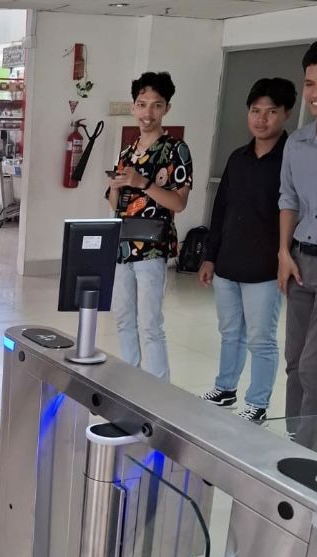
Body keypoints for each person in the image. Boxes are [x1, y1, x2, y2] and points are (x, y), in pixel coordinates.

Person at [198, 78, 296, 424]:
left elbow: (296, 211)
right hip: (228, 264)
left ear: (286, 114)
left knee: (261, 340)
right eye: (256, 111)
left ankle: (257, 402)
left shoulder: (290, 161)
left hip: (265, 270)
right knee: (230, 333)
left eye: (271, 112)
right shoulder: (237, 158)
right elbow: (221, 208)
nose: (262, 119)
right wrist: (210, 256)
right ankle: (225, 388)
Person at [107, 71, 193, 381]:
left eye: (156, 105)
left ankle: (159, 392)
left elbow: (178, 203)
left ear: (167, 109)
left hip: (152, 247)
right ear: (133, 107)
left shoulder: (175, 150)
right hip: (122, 245)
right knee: (123, 319)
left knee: (150, 325)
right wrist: (116, 186)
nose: (147, 113)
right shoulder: (127, 151)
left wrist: (142, 182)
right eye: (142, 104)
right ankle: (133, 381)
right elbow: (116, 204)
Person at [278, 36, 317, 449]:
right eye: (310, 83)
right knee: (294, 360)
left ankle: (306, 456)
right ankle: (291, 440)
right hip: (298, 258)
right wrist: (283, 252)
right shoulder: (296, 142)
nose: (316, 93)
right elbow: (289, 199)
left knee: (316, 365)